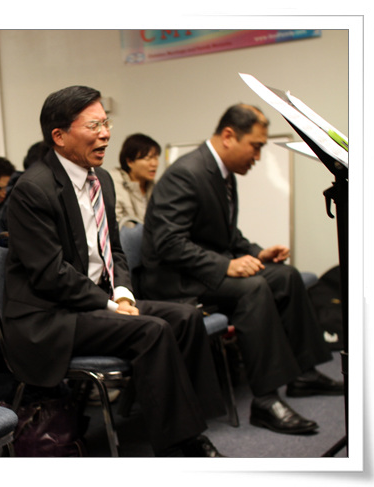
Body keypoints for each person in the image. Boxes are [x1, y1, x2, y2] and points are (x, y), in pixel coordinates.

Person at [4, 85, 226, 457]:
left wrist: (122, 293)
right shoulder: (33, 189)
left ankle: (191, 424)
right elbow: (50, 274)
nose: (106, 134)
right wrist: (110, 305)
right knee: (153, 330)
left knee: (186, 317)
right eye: (93, 126)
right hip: (50, 316)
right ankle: (179, 447)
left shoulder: (101, 180)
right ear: (59, 136)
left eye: (106, 123)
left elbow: (115, 250)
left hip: (94, 302)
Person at [138, 103, 342, 436]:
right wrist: (226, 265)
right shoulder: (186, 173)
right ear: (229, 136)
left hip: (202, 270)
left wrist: (258, 253)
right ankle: (265, 400)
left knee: (285, 276)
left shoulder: (223, 174)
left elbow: (227, 236)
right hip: (175, 280)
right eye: (256, 146)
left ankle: (304, 375)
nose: (258, 156)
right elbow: (168, 243)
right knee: (254, 289)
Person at [109, 133, 161, 227]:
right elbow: (117, 225)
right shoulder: (112, 184)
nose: (154, 164)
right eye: (148, 158)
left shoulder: (156, 186)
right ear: (130, 162)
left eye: (156, 158)